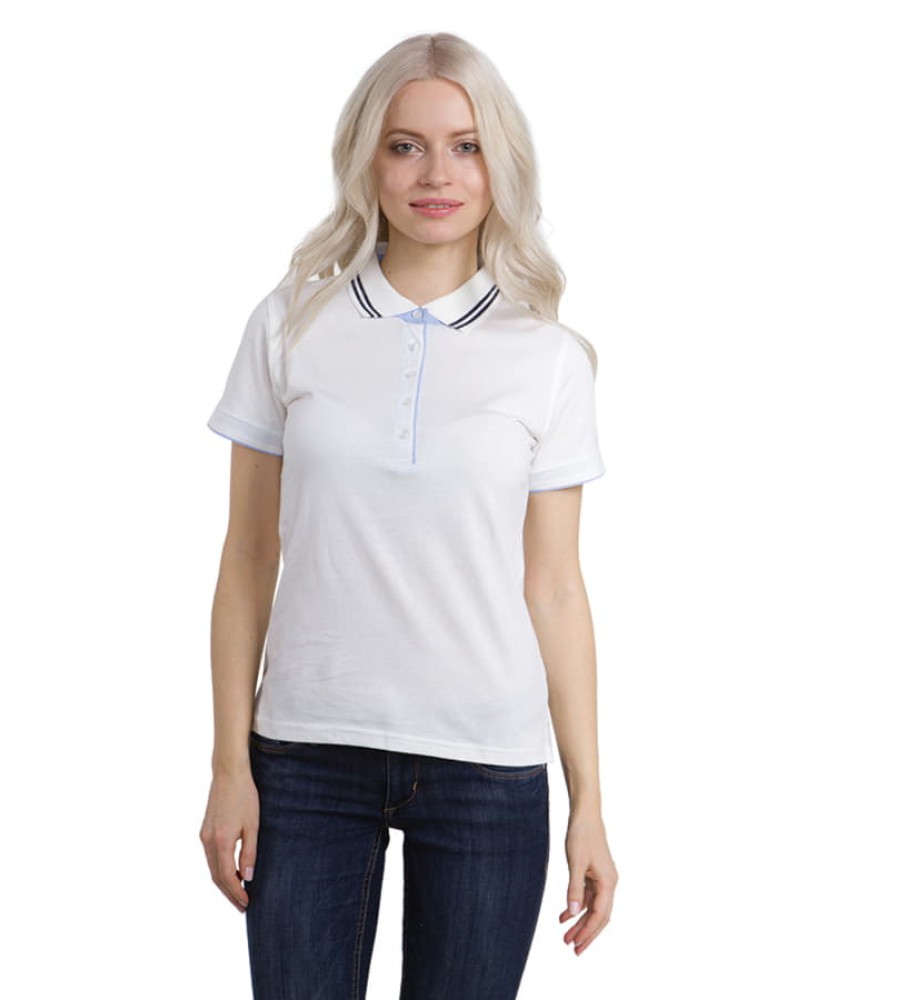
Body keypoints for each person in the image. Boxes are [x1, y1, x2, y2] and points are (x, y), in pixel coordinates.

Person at [199, 31, 618, 1000]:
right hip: (305, 758)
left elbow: (556, 588)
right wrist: (228, 764)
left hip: (486, 769)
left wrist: (590, 800)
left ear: (500, 164)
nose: (437, 174)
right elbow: (247, 555)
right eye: (406, 145)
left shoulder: (548, 357)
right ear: (367, 159)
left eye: (466, 146)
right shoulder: (291, 322)